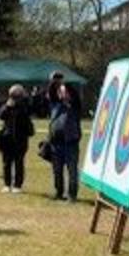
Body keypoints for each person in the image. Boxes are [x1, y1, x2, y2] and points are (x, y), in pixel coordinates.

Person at [48, 73, 82, 202]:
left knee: (72, 170)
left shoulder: (75, 106)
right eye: (60, 92)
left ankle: (72, 195)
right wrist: (54, 81)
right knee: (57, 170)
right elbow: (51, 92)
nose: (61, 94)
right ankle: (58, 193)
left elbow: (75, 96)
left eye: (64, 92)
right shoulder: (54, 103)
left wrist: (64, 85)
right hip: (56, 142)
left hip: (70, 142)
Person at [0, 84, 34, 193]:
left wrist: (21, 105)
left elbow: (28, 116)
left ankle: (17, 185)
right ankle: (6, 184)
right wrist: (7, 106)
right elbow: (0, 115)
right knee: (6, 162)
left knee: (19, 162)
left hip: (21, 138)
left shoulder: (25, 106)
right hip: (7, 137)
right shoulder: (7, 105)